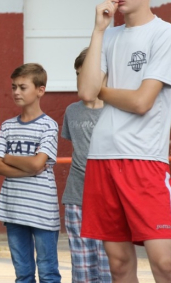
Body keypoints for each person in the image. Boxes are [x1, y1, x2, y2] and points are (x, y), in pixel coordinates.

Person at [78, 0, 171, 283]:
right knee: (119, 263)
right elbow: (84, 92)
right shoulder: (108, 36)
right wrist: (97, 31)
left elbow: (140, 102)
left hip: (145, 159)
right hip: (103, 156)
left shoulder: (165, 34)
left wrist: (102, 91)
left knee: (164, 262)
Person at [0, 63, 60, 282]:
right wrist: (29, 167)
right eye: (13, 87)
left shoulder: (49, 125)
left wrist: (9, 159)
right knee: (22, 274)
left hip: (42, 210)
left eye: (22, 87)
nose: (16, 92)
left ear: (40, 90)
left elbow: (37, 164)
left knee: (48, 272)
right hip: (14, 209)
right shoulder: (7, 126)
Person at [61, 49, 111, 283]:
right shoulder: (72, 111)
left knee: (108, 266)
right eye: (79, 75)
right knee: (81, 268)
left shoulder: (115, 110)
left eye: (88, 74)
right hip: (76, 196)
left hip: (108, 197)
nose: (82, 80)